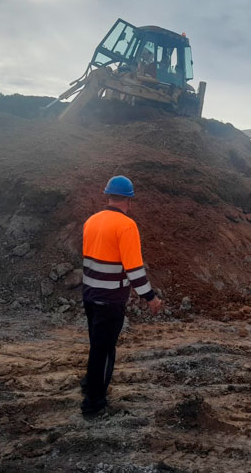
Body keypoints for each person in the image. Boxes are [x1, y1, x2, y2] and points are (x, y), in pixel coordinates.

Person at [80, 175, 162, 416]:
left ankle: (90, 383)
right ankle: (93, 404)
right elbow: (134, 269)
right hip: (110, 299)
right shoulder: (126, 226)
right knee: (104, 350)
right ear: (129, 200)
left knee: (97, 345)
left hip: (90, 294)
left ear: (108, 196)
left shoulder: (91, 221)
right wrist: (151, 298)